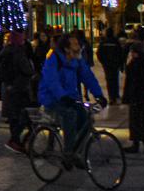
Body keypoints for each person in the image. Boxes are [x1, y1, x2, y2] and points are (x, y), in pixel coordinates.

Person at [39, 32, 104, 162]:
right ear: (66, 48)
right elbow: (52, 81)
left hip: (70, 97)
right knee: (70, 115)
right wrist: (62, 95)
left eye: (78, 43)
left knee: (86, 119)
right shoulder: (54, 59)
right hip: (52, 98)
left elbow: (87, 76)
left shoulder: (77, 60)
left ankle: (77, 152)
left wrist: (99, 95)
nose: (78, 46)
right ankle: (68, 153)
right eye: (74, 44)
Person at [0, 29, 35, 154]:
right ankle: (16, 140)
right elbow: (26, 69)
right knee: (25, 116)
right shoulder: (17, 52)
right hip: (19, 88)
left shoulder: (6, 51)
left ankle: (17, 141)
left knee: (15, 116)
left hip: (12, 88)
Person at [97, 29, 126, 107]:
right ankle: (116, 95)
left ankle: (111, 97)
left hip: (107, 65)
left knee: (109, 80)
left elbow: (99, 54)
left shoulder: (103, 43)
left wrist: (103, 62)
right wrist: (120, 64)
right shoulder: (116, 42)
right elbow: (121, 53)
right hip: (115, 64)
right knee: (115, 79)